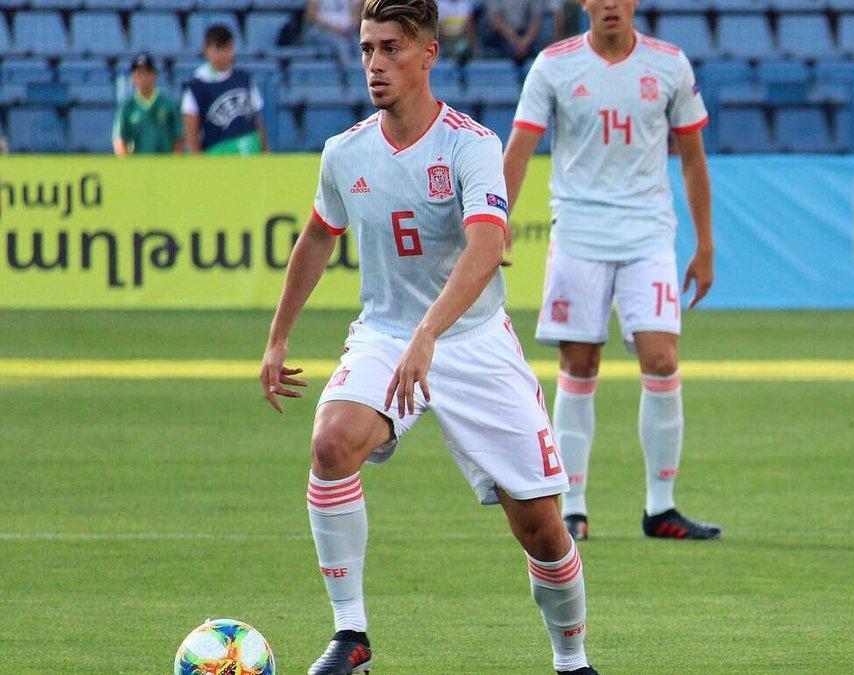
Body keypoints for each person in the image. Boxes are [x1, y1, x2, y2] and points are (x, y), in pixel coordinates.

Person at [258, 1, 597, 673]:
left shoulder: (469, 145)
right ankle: (350, 634)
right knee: (330, 443)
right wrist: (277, 339)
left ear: (427, 54)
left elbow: (487, 244)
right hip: (387, 335)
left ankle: (572, 659)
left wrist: (430, 336)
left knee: (542, 528)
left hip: (472, 343)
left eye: (389, 49)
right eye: (365, 50)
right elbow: (319, 235)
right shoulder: (345, 152)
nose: (375, 65)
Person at [504, 0, 721, 541]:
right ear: (584, 4)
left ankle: (660, 506)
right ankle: (572, 506)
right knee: (579, 365)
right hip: (579, 232)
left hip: (648, 232)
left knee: (662, 355)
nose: (608, 5)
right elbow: (520, 148)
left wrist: (706, 245)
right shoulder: (554, 65)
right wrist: (496, 219)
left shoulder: (669, 65)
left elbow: (693, 158)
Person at [182, 25, 270, 155]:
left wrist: (265, 150)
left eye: (227, 48)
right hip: (218, 153)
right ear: (207, 50)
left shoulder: (244, 79)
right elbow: (191, 130)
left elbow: (257, 119)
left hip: (250, 149)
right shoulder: (197, 86)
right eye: (218, 49)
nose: (224, 54)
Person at [113, 52, 182, 156]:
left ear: (155, 75)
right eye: (138, 73)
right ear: (132, 77)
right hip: (137, 166)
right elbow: (120, 139)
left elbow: (179, 137)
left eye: (147, 72)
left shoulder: (169, 104)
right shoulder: (128, 107)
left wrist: (174, 161)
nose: (143, 77)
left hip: (164, 164)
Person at [305, 0, 362, 67]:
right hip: (322, 30)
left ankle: (361, 73)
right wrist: (330, 28)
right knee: (341, 44)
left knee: (360, 44)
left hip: (347, 31)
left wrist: (348, 29)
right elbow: (311, 16)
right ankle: (349, 73)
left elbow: (356, 16)